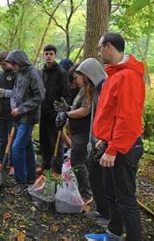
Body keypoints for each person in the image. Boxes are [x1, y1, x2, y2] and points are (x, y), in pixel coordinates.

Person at [86, 32, 145, 241]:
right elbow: (112, 113)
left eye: (100, 47)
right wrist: (105, 139)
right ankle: (113, 234)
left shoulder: (128, 76)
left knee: (126, 199)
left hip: (125, 147)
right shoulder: (114, 74)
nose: (99, 51)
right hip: (113, 143)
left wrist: (113, 148)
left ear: (109, 46)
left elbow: (128, 118)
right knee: (111, 193)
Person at [55, 58, 107, 205]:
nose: (75, 81)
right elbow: (77, 108)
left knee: (78, 162)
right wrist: (67, 109)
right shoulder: (83, 90)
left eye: (77, 77)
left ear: (85, 75)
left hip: (85, 132)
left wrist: (67, 114)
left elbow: (85, 111)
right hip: (78, 132)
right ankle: (84, 189)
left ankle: (87, 193)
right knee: (79, 162)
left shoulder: (91, 90)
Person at [5, 49, 45, 195]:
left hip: (28, 117)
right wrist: (13, 107)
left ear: (18, 62)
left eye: (13, 63)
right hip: (18, 116)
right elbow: (15, 93)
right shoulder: (19, 73)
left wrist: (21, 109)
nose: (12, 67)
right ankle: (31, 177)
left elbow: (39, 96)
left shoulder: (33, 72)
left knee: (16, 147)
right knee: (27, 147)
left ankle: (20, 182)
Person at [38, 44, 70, 175]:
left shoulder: (61, 72)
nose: (48, 56)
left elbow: (66, 94)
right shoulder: (42, 72)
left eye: (51, 54)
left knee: (56, 142)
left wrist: (62, 111)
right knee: (43, 140)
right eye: (46, 54)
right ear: (43, 55)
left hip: (55, 114)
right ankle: (45, 165)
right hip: (43, 112)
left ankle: (56, 169)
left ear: (55, 55)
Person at [0, 51, 16, 173]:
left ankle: (13, 164)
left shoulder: (16, 74)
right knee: (2, 139)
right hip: (0, 111)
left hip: (12, 112)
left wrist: (1, 91)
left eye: (5, 64)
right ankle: (2, 161)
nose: (3, 66)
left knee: (13, 140)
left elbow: (16, 93)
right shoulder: (0, 74)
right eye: (1, 64)